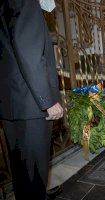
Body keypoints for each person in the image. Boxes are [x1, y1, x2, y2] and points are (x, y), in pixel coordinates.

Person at [0, 0, 64, 199]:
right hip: (31, 104)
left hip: (12, 104)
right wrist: (48, 101)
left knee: (22, 172)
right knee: (34, 173)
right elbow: (29, 51)